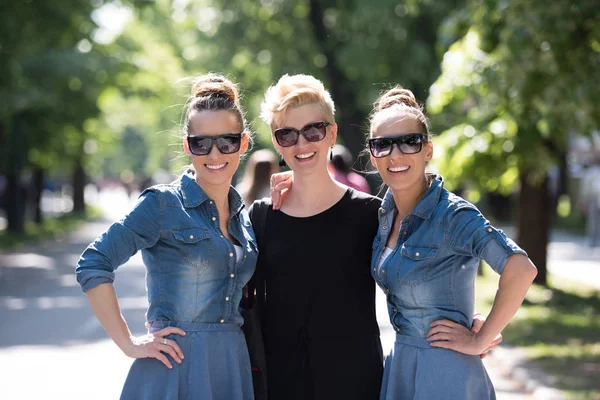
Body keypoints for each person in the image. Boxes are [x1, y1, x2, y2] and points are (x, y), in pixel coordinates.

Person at [256, 74, 497, 399]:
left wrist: (472, 320)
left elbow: (428, 265)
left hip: (357, 384)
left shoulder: (372, 214)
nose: (302, 143)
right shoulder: (261, 216)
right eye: (287, 134)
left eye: (314, 130)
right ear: (275, 141)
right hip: (279, 384)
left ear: (332, 133)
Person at [75, 74, 257, 400]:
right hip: (174, 367)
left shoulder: (244, 216)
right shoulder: (162, 204)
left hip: (230, 363)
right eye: (202, 143)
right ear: (188, 146)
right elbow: (93, 263)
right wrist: (128, 343)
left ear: (243, 143)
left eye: (226, 141)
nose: (214, 154)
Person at [367, 86, 538, 399]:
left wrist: (480, 338)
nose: (396, 154)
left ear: (428, 150)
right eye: (383, 145)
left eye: (409, 142)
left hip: (446, 375)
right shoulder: (383, 214)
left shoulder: (452, 214)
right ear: (373, 155)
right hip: (403, 365)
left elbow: (521, 268)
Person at [579, 158, 600, 247]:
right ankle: (594, 241)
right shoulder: (592, 172)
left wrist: (584, 199)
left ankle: (594, 241)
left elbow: (585, 187)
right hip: (594, 198)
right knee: (594, 221)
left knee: (593, 221)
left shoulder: (590, 172)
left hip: (594, 198)